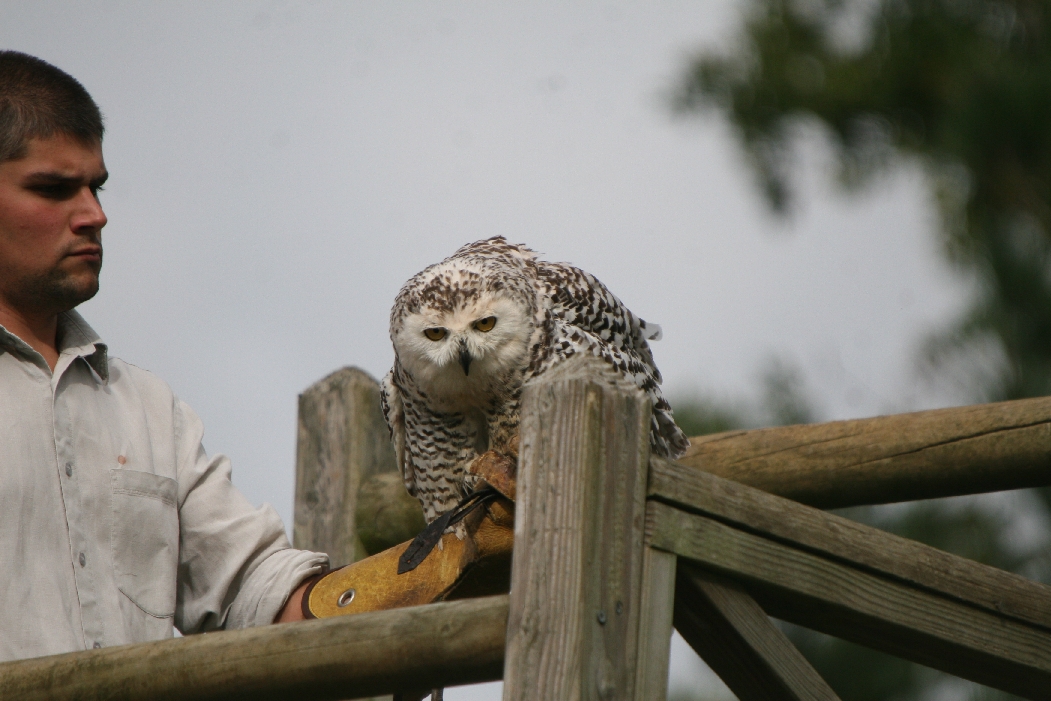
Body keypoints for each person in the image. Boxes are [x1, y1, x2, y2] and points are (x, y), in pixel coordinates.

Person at [0, 50, 328, 662]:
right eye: (53, 189)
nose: (94, 215)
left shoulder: (147, 409)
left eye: (95, 187)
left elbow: (254, 591)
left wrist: (426, 573)